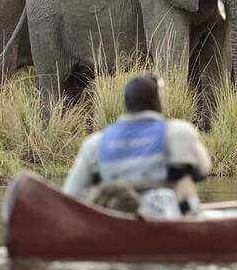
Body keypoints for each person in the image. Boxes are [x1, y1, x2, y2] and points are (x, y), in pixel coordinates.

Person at [63, 74, 211, 217]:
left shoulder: (95, 143)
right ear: (158, 101)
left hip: (115, 222)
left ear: (126, 103)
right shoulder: (178, 132)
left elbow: (71, 194)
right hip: (167, 220)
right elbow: (203, 170)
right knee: (184, 180)